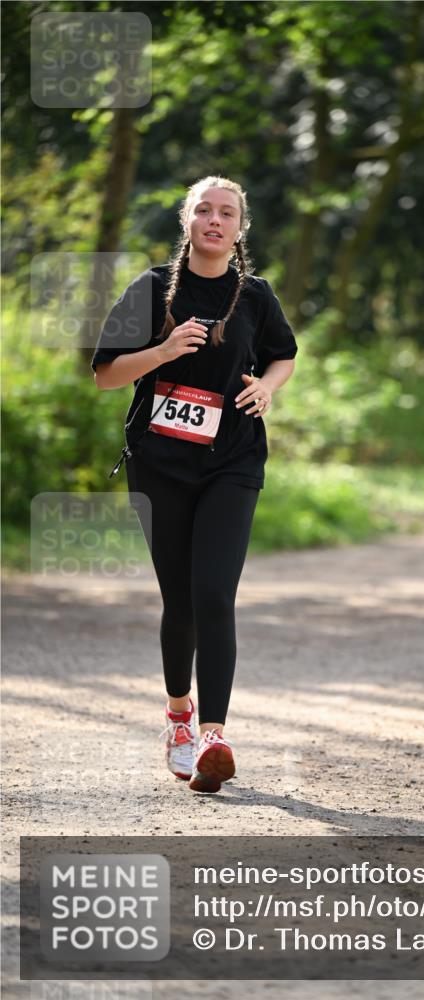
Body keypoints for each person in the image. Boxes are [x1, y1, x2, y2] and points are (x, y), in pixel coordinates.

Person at [91, 175, 298, 793]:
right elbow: (105, 374)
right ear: (187, 220)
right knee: (179, 601)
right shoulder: (152, 288)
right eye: (203, 210)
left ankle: (214, 735)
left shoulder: (255, 295)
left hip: (233, 459)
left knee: (214, 594)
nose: (214, 220)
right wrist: (163, 350)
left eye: (226, 213)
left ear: (240, 227)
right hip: (160, 463)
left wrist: (267, 387)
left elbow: (284, 354)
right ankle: (178, 716)